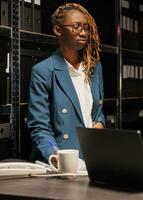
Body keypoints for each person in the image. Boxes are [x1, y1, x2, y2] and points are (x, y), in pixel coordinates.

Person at [27, 3, 105, 162]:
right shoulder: (43, 71)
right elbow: (39, 127)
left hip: (91, 158)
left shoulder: (94, 67)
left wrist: (100, 125)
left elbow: (98, 112)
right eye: (76, 27)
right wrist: (54, 154)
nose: (83, 32)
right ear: (58, 30)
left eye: (86, 28)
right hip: (62, 161)